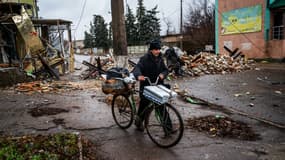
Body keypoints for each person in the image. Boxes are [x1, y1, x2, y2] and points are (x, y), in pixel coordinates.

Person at [133, 40, 169, 131]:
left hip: (158, 86)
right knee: (144, 105)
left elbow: (165, 70)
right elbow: (137, 68)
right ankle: (138, 122)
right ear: (151, 50)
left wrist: (163, 75)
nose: (158, 51)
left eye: (159, 49)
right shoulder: (144, 59)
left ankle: (168, 128)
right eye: (156, 49)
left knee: (161, 106)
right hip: (147, 86)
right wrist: (139, 76)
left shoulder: (161, 59)